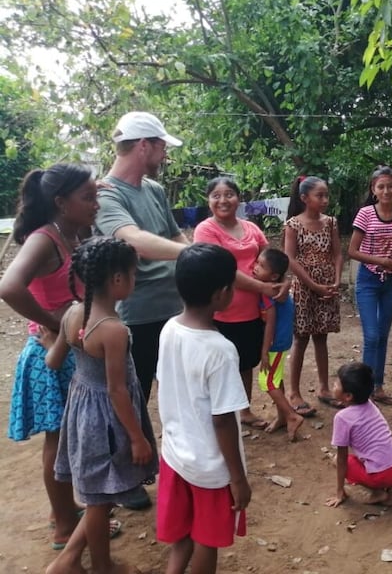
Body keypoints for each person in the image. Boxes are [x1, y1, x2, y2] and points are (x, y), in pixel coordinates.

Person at [44, 237, 157, 573]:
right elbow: (117, 390)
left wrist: (50, 340)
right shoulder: (113, 330)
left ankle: (68, 562)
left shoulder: (73, 314)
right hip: (109, 423)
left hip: (82, 413)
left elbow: (53, 361)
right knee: (99, 502)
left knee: (99, 495)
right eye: (134, 274)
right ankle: (103, 567)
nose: (134, 281)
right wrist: (137, 437)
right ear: (118, 279)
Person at [0, 164, 97, 548]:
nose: (96, 203)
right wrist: (53, 322)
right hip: (52, 353)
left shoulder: (72, 233)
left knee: (71, 439)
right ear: (60, 202)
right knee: (59, 442)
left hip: (74, 349)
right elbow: (9, 287)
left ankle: (68, 510)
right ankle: (62, 524)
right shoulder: (45, 239)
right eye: (88, 197)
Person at [94, 111, 188, 509]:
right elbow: (133, 240)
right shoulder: (105, 195)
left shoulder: (154, 190)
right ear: (145, 145)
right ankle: (125, 477)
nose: (165, 153)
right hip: (136, 313)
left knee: (176, 388)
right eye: (162, 145)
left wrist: (188, 260)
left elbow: (172, 234)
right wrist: (195, 253)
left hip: (173, 307)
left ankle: (176, 459)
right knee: (132, 394)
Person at [156, 244, 251, 573]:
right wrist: (237, 479)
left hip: (174, 454)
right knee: (206, 543)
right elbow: (223, 421)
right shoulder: (221, 350)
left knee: (181, 537)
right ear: (222, 293)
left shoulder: (169, 329)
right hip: (210, 469)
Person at [194, 177, 289, 430]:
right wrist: (263, 287)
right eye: (216, 195)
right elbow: (221, 270)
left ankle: (244, 410)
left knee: (245, 363)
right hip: (219, 312)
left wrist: (283, 282)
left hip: (253, 312)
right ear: (208, 200)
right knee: (218, 366)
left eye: (229, 194)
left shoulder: (251, 228)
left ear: (238, 198)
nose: (223, 200)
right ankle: (217, 416)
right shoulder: (205, 230)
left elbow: (273, 260)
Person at [348, 166, 392, 405]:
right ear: (373, 189)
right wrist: (382, 261)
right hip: (368, 279)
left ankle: (378, 386)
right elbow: (352, 251)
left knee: (383, 335)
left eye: (390, 186)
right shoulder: (365, 214)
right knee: (372, 335)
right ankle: (362, 388)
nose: (386, 190)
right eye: (381, 186)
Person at [284, 176, 343, 416]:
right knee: (301, 339)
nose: (325, 200)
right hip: (304, 289)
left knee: (321, 337)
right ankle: (293, 392)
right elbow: (290, 259)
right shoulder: (293, 224)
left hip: (328, 286)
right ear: (304, 198)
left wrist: (336, 279)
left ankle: (323, 388)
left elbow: (338, 254)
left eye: (326, 195)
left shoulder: (331, 223)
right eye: (320, 195)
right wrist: (314, 285)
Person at [324, 363, 392, 508]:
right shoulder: (371, 404)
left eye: (337, 383)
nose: (333, 384)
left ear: (348, 396)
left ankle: (378, 492)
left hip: (382, 475)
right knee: (379, 457)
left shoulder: (342, 418)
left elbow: (341, 459)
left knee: (336, 460)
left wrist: (340, 491)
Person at [253, 248, 305, 441]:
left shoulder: (269, 291)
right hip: (280, 340)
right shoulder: (275, 286)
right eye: (257, 263)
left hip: (275, 342)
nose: (256, 268)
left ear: (274, 275)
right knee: (276, 378)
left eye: (262, 266)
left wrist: (265, 350)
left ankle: (292, 415)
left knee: (266, 381)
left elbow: (271, 321)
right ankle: (283, 416)